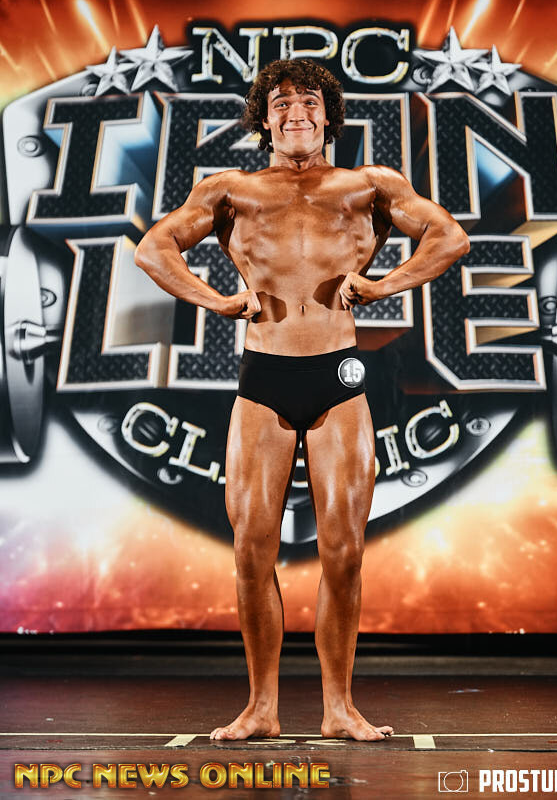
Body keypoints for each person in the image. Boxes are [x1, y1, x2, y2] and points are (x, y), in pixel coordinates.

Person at [135, 58, 470, 741]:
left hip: (337, 377)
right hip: (264, 378)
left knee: (343, 551)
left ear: (329, 116)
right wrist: (215, 299)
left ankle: (339, 708)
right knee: (251, 551)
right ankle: (261, 708)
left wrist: (387, 284)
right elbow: (154, 248)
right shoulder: (230, 189)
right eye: (283, 102)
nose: (297, 112)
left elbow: (449, 237)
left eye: (310, 101)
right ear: (264, 118)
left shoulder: (369, 185)